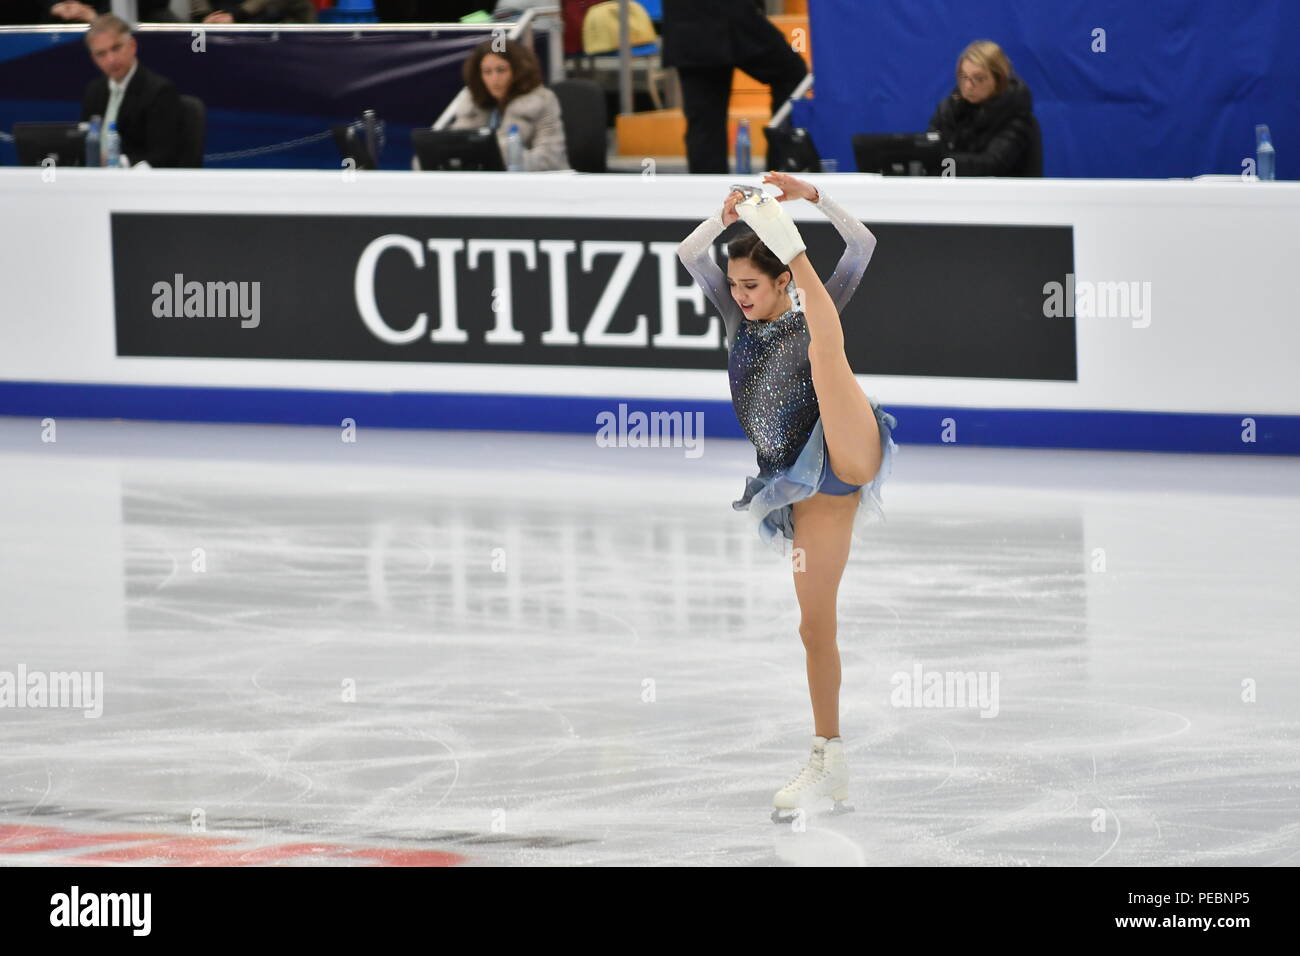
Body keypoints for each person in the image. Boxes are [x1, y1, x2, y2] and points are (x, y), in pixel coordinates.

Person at [676, 171, 899, 821]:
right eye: (737, 285)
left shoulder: (802, 306)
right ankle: (828, 757)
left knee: (825, 349)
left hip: (851, 445)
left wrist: (811, 203)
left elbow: (861, 246)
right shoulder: (734, 316)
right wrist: (724, 220)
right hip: (808, 487)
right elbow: (690, 256)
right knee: (813, 626)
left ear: (779, 283)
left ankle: (794, 248)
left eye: (753, 285)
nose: (741, 296)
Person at [662, 0, 808, 174]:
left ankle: (710, 189)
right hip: (724, 14)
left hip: (689, 21)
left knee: (705, 119)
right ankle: (780, 174)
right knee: (792, 73)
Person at [445, 37, 568, 171]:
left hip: (532, 187)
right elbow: (454, 148)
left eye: (501, 70)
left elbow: (550, 160)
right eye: (487, 72)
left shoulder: (543, 100)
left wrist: (501, 153)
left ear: (518, 71)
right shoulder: (472, 105)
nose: (494, 79)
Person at [78, 14, 183, 168]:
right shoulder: (93, 91)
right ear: (94, 59)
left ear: (132, 46)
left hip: (137, 183)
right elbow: (83, 144)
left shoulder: (159, 91)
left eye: (116, 48)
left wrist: (118, 163)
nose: (111, 60)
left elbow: (163, 156)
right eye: (101, 54)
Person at [927, 39, 1040, 176]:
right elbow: (929, 151)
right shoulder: (947, 111)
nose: (968, 86)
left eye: (979, 79)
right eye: (964, 77)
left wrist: (939, 163)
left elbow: (993, 165)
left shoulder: (1017, 117)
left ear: (999, 80)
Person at [189, 0, 317, 23]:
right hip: (215, 22)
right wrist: (205, 18)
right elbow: (200, 6)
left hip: (280, 24)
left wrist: (236, 16)